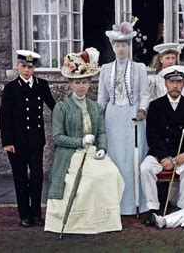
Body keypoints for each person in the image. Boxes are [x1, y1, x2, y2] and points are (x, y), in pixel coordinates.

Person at [45, 48, 124, 234]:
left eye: (85, 82)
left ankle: (104, 221)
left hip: (92, 152)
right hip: (70, 154)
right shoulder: (61, 107)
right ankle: (80, 222)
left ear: (89, 84)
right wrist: (80, 141)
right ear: (71, 84)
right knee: (91, 179)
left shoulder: (95, 107)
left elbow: (102, 131)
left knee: (112, 173)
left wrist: (102, 148)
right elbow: (57, 137)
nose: (81, 86)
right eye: (77, 82)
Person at [98, 22, 150, 215]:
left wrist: (143, 109)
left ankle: (136, 203)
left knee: (133, 159)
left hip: (133, 116)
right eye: (117, 45)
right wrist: (97, 118)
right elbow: (102, 98)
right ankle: (116, 204)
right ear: (112, 46)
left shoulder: (139, 68)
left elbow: (144, 94)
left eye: (124, 45)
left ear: (129, 46)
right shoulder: (105, 69)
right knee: (116, 159)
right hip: (112, 118)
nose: (121, 48)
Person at [0, 50, 56, 227]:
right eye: (23, 66)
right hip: (16, 142)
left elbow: (54, 107)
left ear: (34, 68)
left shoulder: (42, 85)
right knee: (20, 177)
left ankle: (36, 213)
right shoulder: (10, 88)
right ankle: (24, 214)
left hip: (35, 140)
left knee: (37, 177)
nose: (26, 70)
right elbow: (4, 116)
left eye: (30, 67)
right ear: (18, 66)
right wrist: (7, 142)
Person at [140, 65, 184, 222]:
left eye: (179, 82)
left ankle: (182, 208)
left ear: (183, 84)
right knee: (145, 168)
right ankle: (153, 209)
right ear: (165, 84)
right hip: (160, 153)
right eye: (171, 82)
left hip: (182, 153)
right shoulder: (155, 106)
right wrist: (163, 157)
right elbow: (152, 135)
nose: (175, 85)